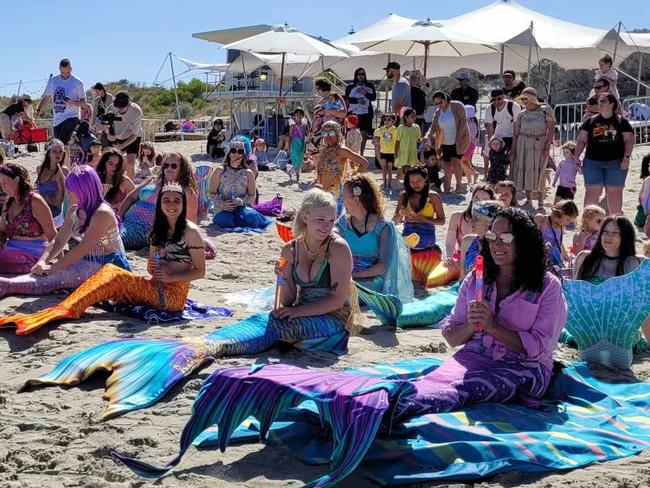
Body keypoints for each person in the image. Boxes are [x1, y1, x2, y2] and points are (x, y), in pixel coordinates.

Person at [171, 207, 568, 487]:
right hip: (469, 357)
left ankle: (370, 413)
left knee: (448, 393)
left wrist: (494, 327)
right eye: (491, 236)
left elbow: (537, 350)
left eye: (506, 237)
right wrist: (473, 327)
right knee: (425, 381)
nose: (497, 244)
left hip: (520, 373)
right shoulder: (476, 282)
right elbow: (450, 335)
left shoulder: (546, 288)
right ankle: (332, 403)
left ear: (524, 242)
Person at [0, 181, 206, 335]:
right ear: (159, 203)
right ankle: (68, 307)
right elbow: (152, 270)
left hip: (171, 298)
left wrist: (170, 277)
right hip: (154, 287)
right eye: (167, 200)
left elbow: (200, 271)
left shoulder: (190, 232)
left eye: (176, 200)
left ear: (183, 203)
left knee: (112, 274)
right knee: (109, 275)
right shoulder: (157, 231)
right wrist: (153, 267)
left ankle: (68, 308)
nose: (171, 205)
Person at [0, 166, 130, 300]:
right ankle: (8, 284)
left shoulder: (102, 213)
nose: (69, 194)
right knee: (47, 275)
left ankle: (9, 285)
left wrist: (53, 267)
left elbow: (83, 247)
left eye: (73, 191)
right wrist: (43, 261)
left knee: (56, 278)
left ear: (85, 190)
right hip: (86, 261)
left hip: (108, 264)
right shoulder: (74, 210)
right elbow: (59, 240)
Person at [570, 216, 649, 369]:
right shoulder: (584, 259)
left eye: (615, 233)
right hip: (588, 331)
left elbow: (644, 307)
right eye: (605, 231)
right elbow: (576, 301)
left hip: (621, 333)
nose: (608, 236)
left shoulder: (636, 263)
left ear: (625, 236)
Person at [337, 174, 413, 302]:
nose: (341, 201)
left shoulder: (383, 227)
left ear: (356, 199)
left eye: (343, 197)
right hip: (347, 276)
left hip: (371, 279)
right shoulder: (342, 224)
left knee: (343, 295)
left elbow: (383, 266)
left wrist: (355, 275)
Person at [119, 152, 198, 249]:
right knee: (106, 230)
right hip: (126, 221)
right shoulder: (153, 180)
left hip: (146, 230)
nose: (169, 168)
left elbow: (190, 220)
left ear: (181, 169)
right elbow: (131, 197)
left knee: (115, 239)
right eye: (166, 165)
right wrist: (118, 217)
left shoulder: (186, 191)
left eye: (173, 166)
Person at [575, 92, 634, 216]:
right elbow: (581, 140)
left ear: (612, 104)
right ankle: (589, 224)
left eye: (603, 101)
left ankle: (615, 221)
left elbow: (629, 140)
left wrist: (626, 158)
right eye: (599, 101)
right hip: (592, 162)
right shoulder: (591, 121)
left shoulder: (621, 122)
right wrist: (576, 157)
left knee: (614, 193)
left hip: (616, 162)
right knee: (592, 193)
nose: (599, 104)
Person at [0, 163, 56, 274]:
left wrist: (59, 264)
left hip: (34, 251)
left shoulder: (34, 201)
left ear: (16, 179)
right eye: (1, 184)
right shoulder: (9, 201)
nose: (3, 187)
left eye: (5, 183)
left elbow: (52, 234)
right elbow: (4, 231)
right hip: (12, 247)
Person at [210, 139, 270, 231]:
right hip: (224, 208)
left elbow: (252, 196)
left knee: (251, 217)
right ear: (229, 153)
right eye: (233, 150)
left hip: (242, 207)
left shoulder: (248, 173)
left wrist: (242, 201)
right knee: (223, 220)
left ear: (243, 154)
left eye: (240, 151)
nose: (236, 154)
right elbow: (212, 193)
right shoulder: (220, 170)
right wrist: (222, 204)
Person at [510, 87, 556, 209]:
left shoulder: (545, 110)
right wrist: (513, 150)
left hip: (539, 142)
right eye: (523, 99)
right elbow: (515, 133)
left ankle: (541, 201)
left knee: (540, 170)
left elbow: (551, 128)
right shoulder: (522, 113)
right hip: (523, 143)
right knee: (525, 169)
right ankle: (529, 198)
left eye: (527, 98)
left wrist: (547, 145)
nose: (525, 101)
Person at [314, 121, 368, 211]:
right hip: (322, 190)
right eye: (324, 133)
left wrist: (352, 178)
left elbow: (364, 163)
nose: (328, 136)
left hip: (335, 192)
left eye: (331, 133)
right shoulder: (325, 149)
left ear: (337, 133)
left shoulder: (342, 150)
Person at [427, 91, 470, 193]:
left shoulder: (457, 106)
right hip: (445, 141)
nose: (439, 105)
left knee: (456, 162)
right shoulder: (438, 112)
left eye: (440, 102)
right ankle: (447, 186)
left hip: (459, 140)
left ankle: (458, 186)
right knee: (446, 164)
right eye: (436, 103)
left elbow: (463, 121)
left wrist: (459, 136)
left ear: (445, 98)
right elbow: (433, 127)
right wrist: (426, 136)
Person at [393, 165, 445, 250]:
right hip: (408, 232)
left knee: (409, 242)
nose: (415, 184)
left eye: (418, 180)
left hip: (426, 233)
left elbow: (442, 221)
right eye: (411, 182)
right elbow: (394, 220)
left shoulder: (433, 196)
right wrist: (400, 214)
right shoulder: (404, 196)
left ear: (425, 179)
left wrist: (423, 219)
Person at [36, 59, 85, 144]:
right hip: (58, 118)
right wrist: (38, 110)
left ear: (71, 69)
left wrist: (73, 103)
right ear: (59, 69)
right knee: (60, 144)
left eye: (67, 73)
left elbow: (83, 103)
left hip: (72, 116)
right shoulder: (53, 81)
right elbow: (46, 97)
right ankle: (67, 157)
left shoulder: (77, 83)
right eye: (63, 73)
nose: (65, 75)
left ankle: (63, 156)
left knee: (61, 142)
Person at [458, 200, 503, 280]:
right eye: (472, 217)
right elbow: (462, 277)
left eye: (476, 218)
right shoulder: (467, 241)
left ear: (490, 222)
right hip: (468, 289)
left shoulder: (500, 248)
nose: (471, 221)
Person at [445, 184, 494, 258]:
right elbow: (449, 244)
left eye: (485, 200)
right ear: (472, 199)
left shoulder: (494, 221)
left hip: (484, 259)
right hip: (460, 257)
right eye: (476, 198)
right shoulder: (457, 217)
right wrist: (449, 259)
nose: (479, 202)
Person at [104, 91, 143, 180]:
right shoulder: (110, 109)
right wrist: (111, 137)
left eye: (123, 106)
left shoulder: (136, 111)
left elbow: (135, 135)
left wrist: (121, 146)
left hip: (131, 136)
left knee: (130, 163)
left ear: (129, 103)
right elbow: (107, 131)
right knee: (112, 163)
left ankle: (130, 188)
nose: (120, 109)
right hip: (116, 135)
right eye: (118, 107)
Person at [535, 199, 579, 269]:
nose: (567, 223)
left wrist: (566, 257)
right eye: (568, 220)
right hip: (541, 257)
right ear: (561, 212)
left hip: (555, 259)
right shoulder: (541, 219)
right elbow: (533, 237)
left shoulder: (561, 226)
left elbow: (559, 243)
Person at [308, 78, 347, 156]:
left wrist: (330, 111)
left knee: (331, 155)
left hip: (331, 132)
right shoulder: (321, 100)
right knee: (316, 155)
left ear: (320, 88)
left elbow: (343, 114)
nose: (316, 91)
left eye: (317, 89)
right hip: (318, 134)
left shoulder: (335, 97)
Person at [344, 67, 377, 155]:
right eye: (359, 74)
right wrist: (357, 100)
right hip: (353, 112)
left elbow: (373, 98)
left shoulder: (369, 85)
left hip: (366, 113)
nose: (361, 76)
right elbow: (347, 99)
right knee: (351, 134)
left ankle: (361, 154)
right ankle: (350, 153)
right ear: (356, 75)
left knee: (363, 134)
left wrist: (365, 93)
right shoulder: (350, 86)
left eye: (363, 74)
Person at [35, 139, 67, 217]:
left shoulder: (63, 170)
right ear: (49, 153)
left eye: (60, 151)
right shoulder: (40, 169)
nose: (58, 154)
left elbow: (67, 194)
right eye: (54, 151)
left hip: (55, 210)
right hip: (39, 206)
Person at [483, 89, 521, 155]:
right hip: (498, 137)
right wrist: (492, 145)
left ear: (503, 97)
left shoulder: (514, 107)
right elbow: (489, 128)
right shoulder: (490, 108)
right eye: (493, 99)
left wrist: (513, 147)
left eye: (499, 98)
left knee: (512, 159)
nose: (496, 101)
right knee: (491, 155)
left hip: (513, 136)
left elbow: (516, 128)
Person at [394, 108, 421, 180]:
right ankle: (399, 179)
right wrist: (396, 153)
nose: (414, 118)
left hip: (412, 152)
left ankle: (407, 182)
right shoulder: (401, 128)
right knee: (402, 168)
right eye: (412, 116)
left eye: (415, 116)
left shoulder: (416, 127)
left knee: (410, 168)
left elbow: (418, 139)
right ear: (406, 117)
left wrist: (424, 142)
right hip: (403, 152)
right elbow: (397, 141)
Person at [373, 113, 397, 190]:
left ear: (393, 121)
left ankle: (389, 184)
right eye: (385, 119)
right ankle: (384, 184)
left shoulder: (395, 130)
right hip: (383, 152)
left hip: (391, 153)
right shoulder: (380, 130)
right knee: (384, 169)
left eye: (389, 120)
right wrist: (376, 143)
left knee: (390, 169)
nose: (386, 121)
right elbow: (375, 138)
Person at [460, 104, 480, 184]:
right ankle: (469, 179)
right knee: (466, 162)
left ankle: (474, 173)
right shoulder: (471, 123)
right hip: (468, 144)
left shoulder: (471, 124)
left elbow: (470, 136)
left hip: (469, 144)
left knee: (462, 161)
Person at [288, 108, 309, 182]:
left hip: (302, 142)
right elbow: (290, 135)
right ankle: (293, 172)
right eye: (297, 114)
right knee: (295, 158)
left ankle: (297, 174)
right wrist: (289, 146)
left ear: (303, 116)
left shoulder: (304, 124)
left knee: (300, 159)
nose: (299, 116)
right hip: (295, 142)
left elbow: (307, 133)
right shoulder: (292, 125)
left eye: (300, 114)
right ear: (294, 116)